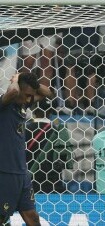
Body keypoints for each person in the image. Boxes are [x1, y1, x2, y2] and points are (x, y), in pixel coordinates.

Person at [0, 72, 54, 225]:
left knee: (32, 216)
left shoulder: (22, 104)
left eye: (32, 95)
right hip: (5, 172)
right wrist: (16, 79)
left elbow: (48, 93)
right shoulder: (4, 104)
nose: (30, 99)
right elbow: (13, 91)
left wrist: (29, 79)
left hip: (22, 173)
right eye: (28, 95)